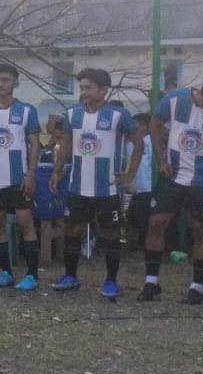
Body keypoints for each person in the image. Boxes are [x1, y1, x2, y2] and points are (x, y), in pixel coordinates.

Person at [139, 77, 203, 305]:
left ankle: (196, 288)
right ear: (201, 93)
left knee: (201, 230)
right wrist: (160, 159)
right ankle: (151, 282)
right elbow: (155, 124)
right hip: (172, 176)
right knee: (156, 223)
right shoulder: (174, 99)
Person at [46, 70, 143, 297]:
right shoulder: (73, 113)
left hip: (107, 187)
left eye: (88, 88)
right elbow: (66, 143)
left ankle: (110, 281)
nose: (84, 92)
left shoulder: (119, 115)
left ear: (103, 90)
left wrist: (129, 174)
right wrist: (57, 171)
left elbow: (138, 143)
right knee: (71, 229)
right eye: (81, 88)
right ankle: (70, 276)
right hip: (77, 186)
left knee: (110, 232)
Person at [0, 64, 43, 291]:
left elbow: (35, 144)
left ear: (15, 83)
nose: (1, 84)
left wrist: (31, 174)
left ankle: (32, 275)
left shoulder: (27, 111)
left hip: (19, 178)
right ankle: (5, 272)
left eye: (5, 80)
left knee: (25, 223)